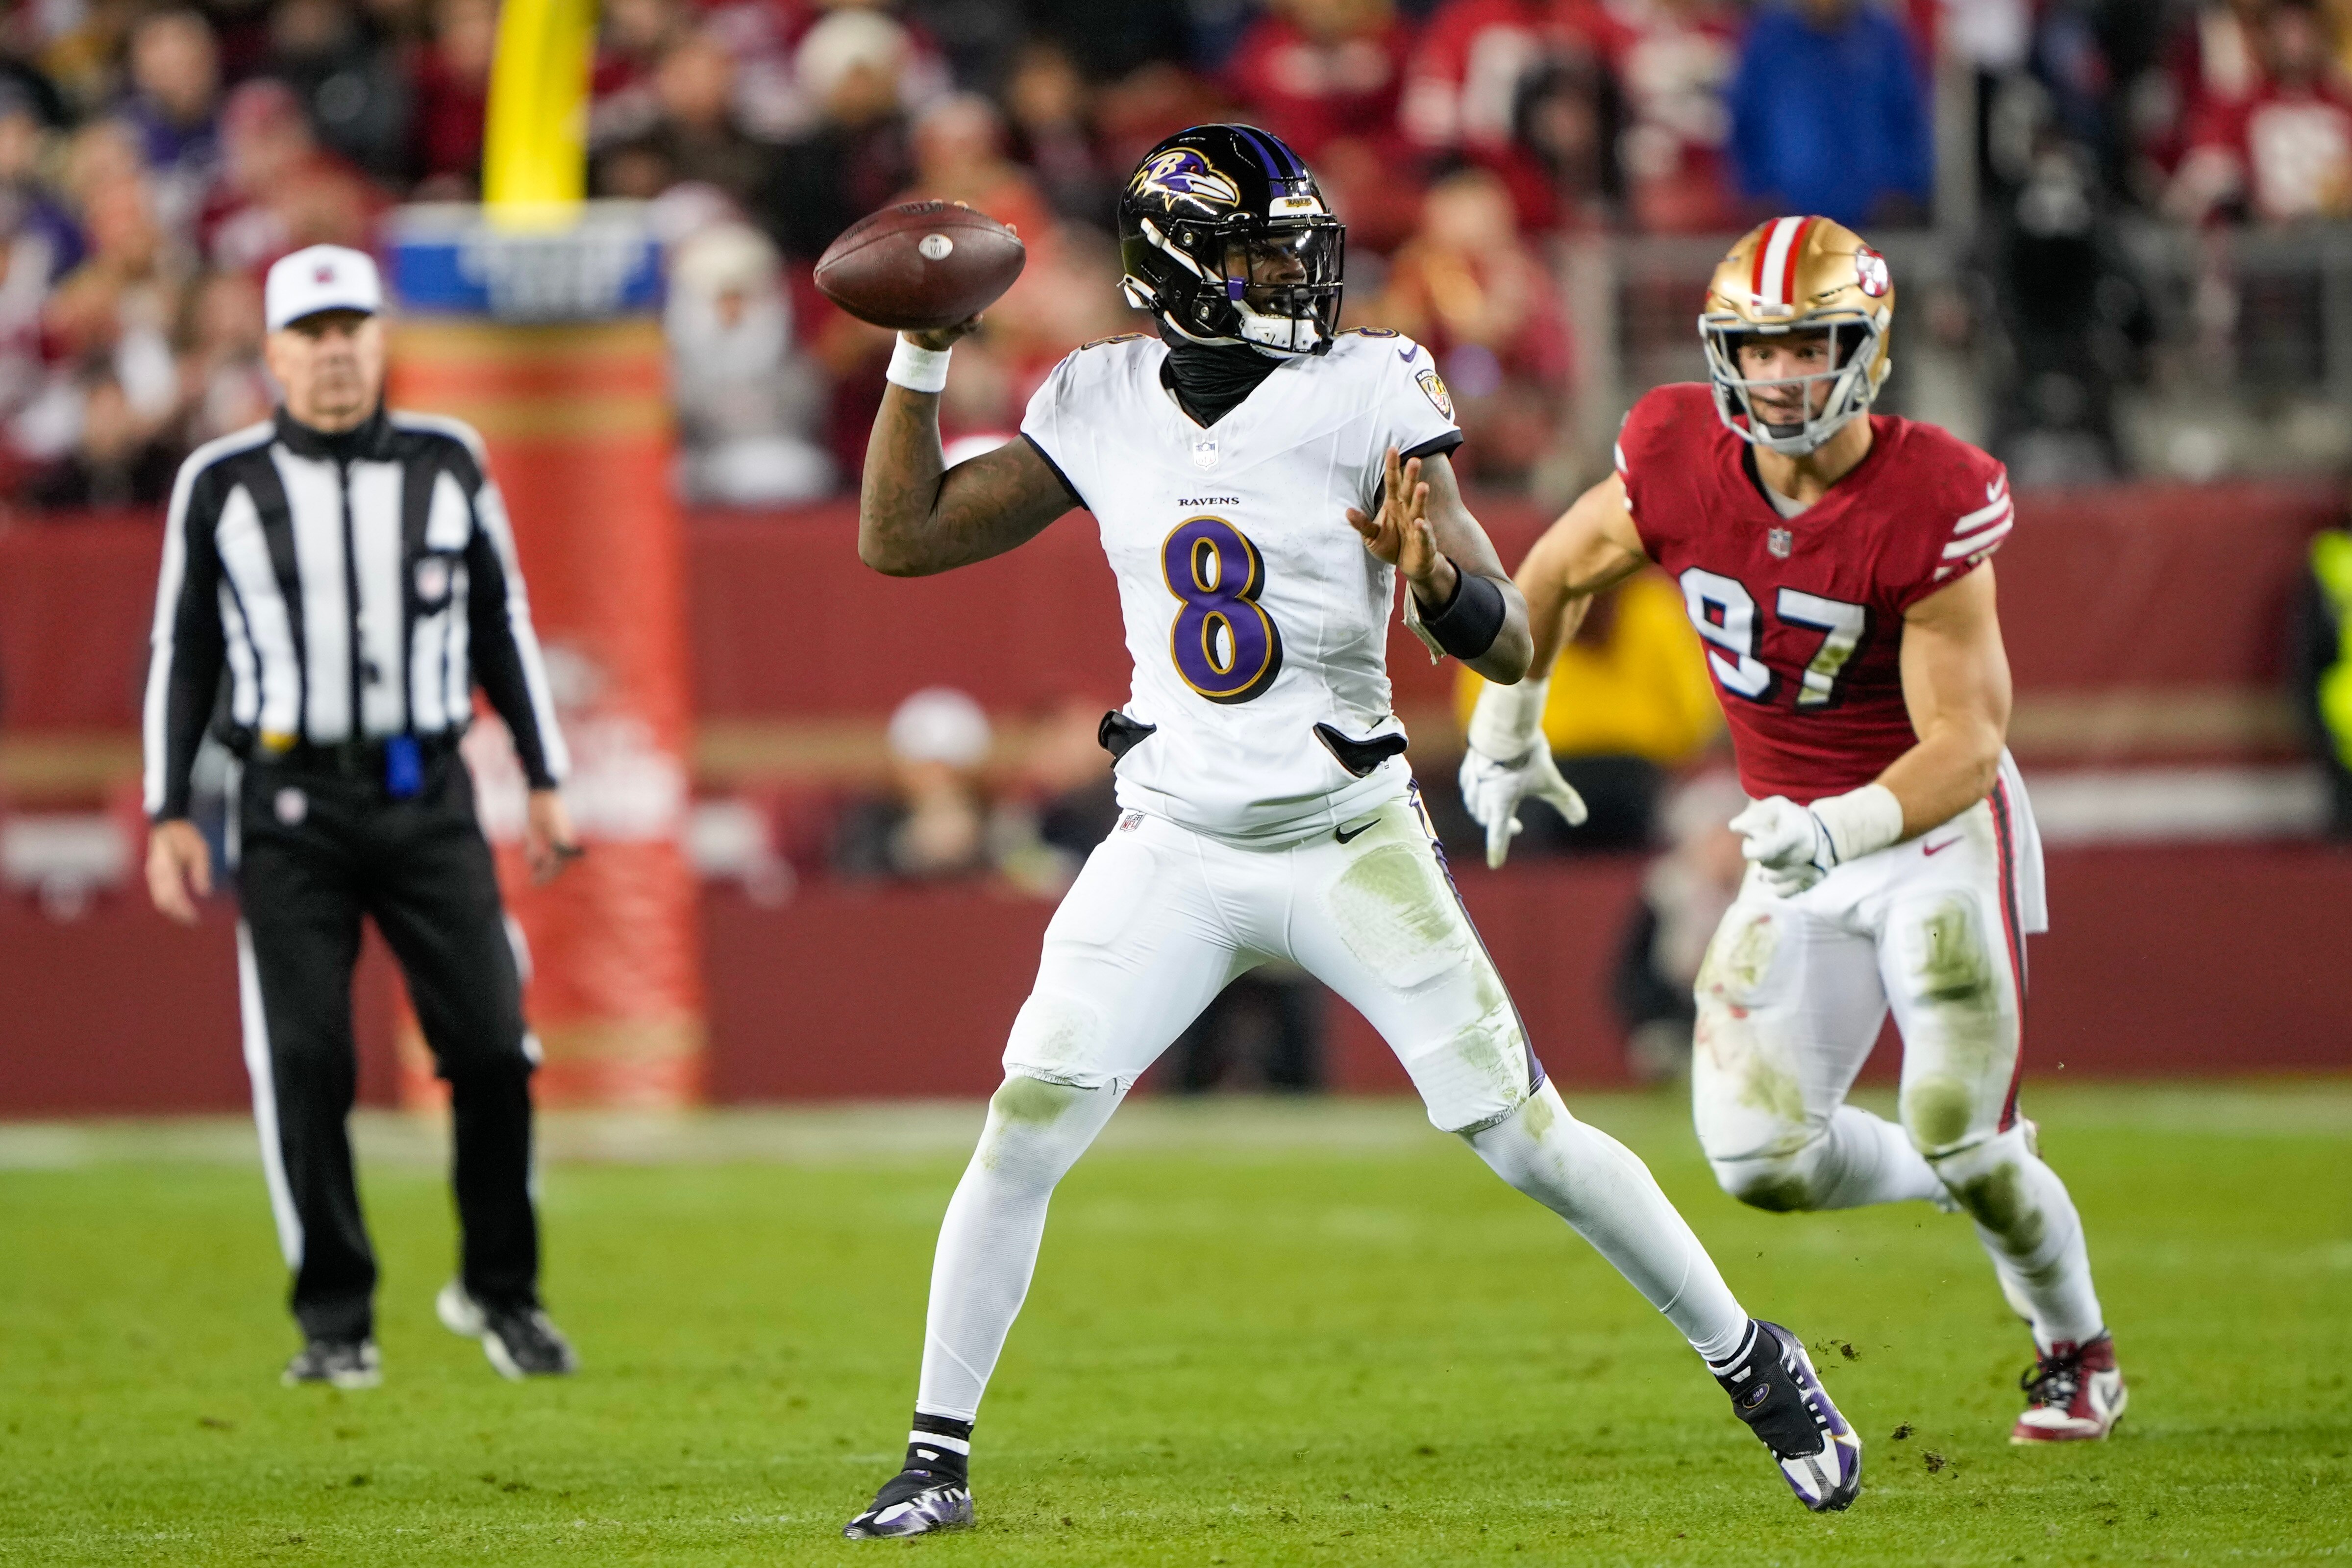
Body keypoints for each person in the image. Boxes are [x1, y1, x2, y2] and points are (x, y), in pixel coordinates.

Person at [837, 124, 1860, 1540]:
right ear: (1182, 273)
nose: (1297, 274)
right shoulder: (1099, 397)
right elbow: (904, 537)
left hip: (1344, 834)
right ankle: (934, 1459)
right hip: (1175, 841)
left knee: (1525, 1139)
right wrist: (921, 354)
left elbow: (1505, 646)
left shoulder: (1372, 385)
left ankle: (1756, 1363)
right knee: (1025, 1124)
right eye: (1260, 251)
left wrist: (1431, 574)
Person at [1461, 216, 2125, 1445]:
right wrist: (1510, 727)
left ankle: (2073, 1348)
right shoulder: (1674, 450)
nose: (1779, 377)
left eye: (1809, 345)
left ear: (1866, 350)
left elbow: (1966, 742)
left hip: (1928, 835)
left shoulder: (1932, 493)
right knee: (1759, 1156)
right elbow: (1551, 569)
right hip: (1793, 837)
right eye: (1756, 349)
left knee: (1955, 1113)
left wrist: (1841, 826)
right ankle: (1966, 1166)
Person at [141, 245, 583, 1390]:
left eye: (351, 332)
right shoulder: (223, 482)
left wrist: (543, 773)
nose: (334, 355)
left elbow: (503, 620)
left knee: (492, 1046)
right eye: (311, 335)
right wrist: (168, 805)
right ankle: (336, 1320)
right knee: (305, 1057)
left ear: (379, 342)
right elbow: (181, 653)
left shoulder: (449, 461)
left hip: (429, 792)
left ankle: (500, 1293)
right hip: (286, 801)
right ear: (276, 352)